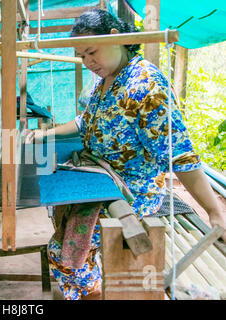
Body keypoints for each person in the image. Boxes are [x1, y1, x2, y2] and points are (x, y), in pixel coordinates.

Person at [26, 9, 226, 300]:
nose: (88, 62)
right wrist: (45, 134)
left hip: (131, 193)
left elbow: (180, 155)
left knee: (63, 254)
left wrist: (214, 210)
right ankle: (92, 287)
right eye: (82, 56)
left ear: (117, 38)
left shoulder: (146, 86)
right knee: (63, 235)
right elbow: (87, 121)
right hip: (101, 178)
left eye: (92, 52)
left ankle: (93, 293)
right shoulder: (107, 78)